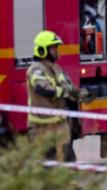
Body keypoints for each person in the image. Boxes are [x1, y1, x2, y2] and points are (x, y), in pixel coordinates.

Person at [26, 31, 90, 162]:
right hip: (42, 127)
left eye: (56, 47)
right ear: (42, 50)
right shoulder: (35, 69)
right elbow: (41, 88)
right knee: (47, 163)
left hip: (60, 125)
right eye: (52, 47)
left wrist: (82, 95)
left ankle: (71, 183)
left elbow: (67, 86)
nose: (56, 50)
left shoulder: (56, 69)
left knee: (69, 159)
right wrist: (63, 91)